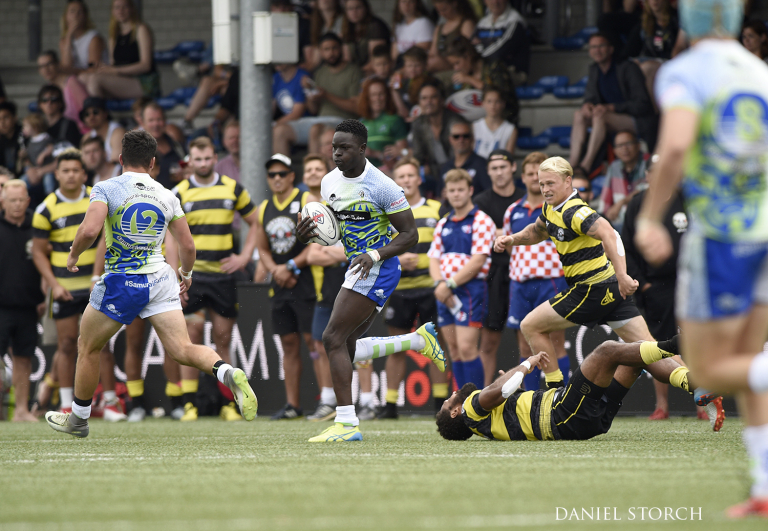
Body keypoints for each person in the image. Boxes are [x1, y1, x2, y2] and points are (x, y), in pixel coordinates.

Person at [634, 0, 768, 516]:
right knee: (750, 361)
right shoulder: (758, 70)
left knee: (710, 366)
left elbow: (676, 145)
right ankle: (763, 485)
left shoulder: (686, 70)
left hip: (725, 236)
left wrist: (649, 216)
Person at [45, 129, 258, 438]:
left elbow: (90, 230)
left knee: (87, 346)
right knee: (182, 348)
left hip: (123, 280)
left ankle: (78, 419)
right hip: (161, 278)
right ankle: (227, 371)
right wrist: (185, 274)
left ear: (120, 159)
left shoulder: (106, 187)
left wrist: (73, 253)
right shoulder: (167, 194)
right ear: (153, 162)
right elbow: (188, 246)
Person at [296, 119, 445, 441]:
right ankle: (418, 341)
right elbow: (333, 226)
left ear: (363, 149)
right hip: (357, 266)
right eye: (334, 147)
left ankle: (347, 424)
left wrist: (375, 254)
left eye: (344, 148)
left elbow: (410, 235)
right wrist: (310, 232)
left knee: (332, 337)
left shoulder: (383, 186)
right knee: (346, 345)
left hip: (379, 268)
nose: (336, 153)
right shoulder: (328, 182)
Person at [494, 157, 667, 394]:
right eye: (542, 184)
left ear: (568, 181)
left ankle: (555, 394)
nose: (545, 189)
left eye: (550, 183)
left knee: (531, 325)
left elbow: (611, 235)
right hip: (610, 289)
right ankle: (697, 384)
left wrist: (624, 275)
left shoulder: (575, 211)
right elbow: (537, 231)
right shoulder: (551, 208)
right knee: (650, 350)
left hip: (592, 289)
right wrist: (512, 239)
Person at [436, 337, 720, 440]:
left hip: (581, 423)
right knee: (608, 351)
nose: (452, 395)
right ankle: (676, 344)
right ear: (455, 413)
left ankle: (694, 384)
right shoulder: (472, 408)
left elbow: (507, 396)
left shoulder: (481, 424)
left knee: (631, 359)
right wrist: (526, 364)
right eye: (448, 402)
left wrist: (511, 382)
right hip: (563, 416)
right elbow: (502, 391)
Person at [165, 136, 259, 422]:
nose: (203, 163)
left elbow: (255, 221)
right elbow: (170, 235)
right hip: (191, 277)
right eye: (198, 159)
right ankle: (190, 403)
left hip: (222, 277)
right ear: (189, 161)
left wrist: (244, 257)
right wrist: (175, 273)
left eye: (207, 158)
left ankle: (227, 404)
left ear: (215, 157)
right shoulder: (178, 192)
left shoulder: (233, 188)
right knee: (189, 338)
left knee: (223, 338)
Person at [378, 157, 446, 419]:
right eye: (401, 177)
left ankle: (440, 404)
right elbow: (379, 247)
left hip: (430, 288)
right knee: (395, 347)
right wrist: (396, 259)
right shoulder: (387, 213)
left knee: (436, 346)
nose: (406, 180)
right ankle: (390, 405)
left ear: (419, 179)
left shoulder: (437, 209)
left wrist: (425, 261)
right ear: (395, 182)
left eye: (410, 175)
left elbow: (447, 249)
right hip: (399, 289)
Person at [31, 149, 95, 415]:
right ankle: (67, 404)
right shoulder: (46, 208)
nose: (70, 175)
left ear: (83, 173)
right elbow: (38, 251)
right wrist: (54, 284)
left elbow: (106, 238)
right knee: (67, 344)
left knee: (98, 342)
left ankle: (110, 401)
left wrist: (99, 276)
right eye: (65, 171)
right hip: (65, 288)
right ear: (56, 175)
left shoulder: (97, 199)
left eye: (75, 170)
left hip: (96, 285)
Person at [255, 154, 316, 419]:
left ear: (293, 176)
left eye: (282, 173)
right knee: (288, 344)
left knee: (314, 342)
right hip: (280, 283)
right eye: (272, 175)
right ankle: (294, 405)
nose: (277, 178)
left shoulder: (305, 200)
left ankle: (328, 400)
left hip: (308, 280)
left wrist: (291, 266)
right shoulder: (264, 207)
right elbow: (262, 247)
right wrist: (276, 270)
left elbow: (318, 241)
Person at [502, 151, 570, 392]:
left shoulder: (556, 209)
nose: (534, 179)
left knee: (556, 344)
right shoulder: (512, 210)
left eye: (538, 175)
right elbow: (513, 247)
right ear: (523, 177)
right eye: (530, 174)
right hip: (520, 284)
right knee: (524, 346)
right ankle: (530, 400)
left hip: (550, 281)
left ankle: (562, 397)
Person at [428, 169, 494, 388]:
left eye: (460, 190)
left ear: (470, 191)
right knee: (454, 350)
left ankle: (475, 402)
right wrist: (439, 284)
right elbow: (434, 259)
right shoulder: (443, 222)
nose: (456, 194)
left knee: (467, 348)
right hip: (444, 290)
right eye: (452, 190)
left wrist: (450, 284)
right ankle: (461, 401)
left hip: (469, 289)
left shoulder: (481, 220)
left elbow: (478, 261)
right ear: (446, 193)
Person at [568, 33, 656, 174]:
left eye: (601, 46)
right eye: (593, 47)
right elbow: (590, 97)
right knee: (579, 115)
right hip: (607, 118)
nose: (597, 50)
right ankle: (572, 164)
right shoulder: (594, 70)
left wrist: (613, 107)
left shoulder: (628, 67)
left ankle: (585, 165)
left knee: (600, 116)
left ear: (610, 49)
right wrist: (588, 105)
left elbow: (642, 104)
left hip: (637, 119)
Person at [473, 149, 524, 385]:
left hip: (523, 273)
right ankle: (480, 401)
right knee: (488, 343)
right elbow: (481, 238)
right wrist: (515, 235)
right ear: (488, 172)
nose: (499, 172)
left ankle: (528, 399)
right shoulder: (481, 202)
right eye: (494, 168)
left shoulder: (525, 198)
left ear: (513, 168)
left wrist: (499, 234)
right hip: (492, 277)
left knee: (527, 340)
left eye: (503, 167)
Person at [273, 33, 363, 155]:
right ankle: (281, 173)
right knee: (280, 131)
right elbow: (313, 109)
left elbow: (356, 107)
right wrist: (310, 95)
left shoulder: (353, 71)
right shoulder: (320, 73)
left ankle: (315, 171)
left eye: (334, 48)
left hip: (344, 122)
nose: (331, 53)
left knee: (316, 129)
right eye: (326, 49)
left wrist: (326, 95)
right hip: (318, 119)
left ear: (341, 48)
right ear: (320, 52)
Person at [0, 180, 45, 422]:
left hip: (30, 304)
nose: (17, 205)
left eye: (21, 200)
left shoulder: (37, 226)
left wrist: (44, 294)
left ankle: (21, 410)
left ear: (28, 201)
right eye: (12, 200)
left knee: (24, 357)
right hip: (1, 304)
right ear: (3, 202)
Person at [301, 154, 340, 422]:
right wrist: (343, 253)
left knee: (353, 342)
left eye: (319, 169)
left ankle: (366, 401)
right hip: (323, 287)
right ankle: (327, 401)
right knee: (319, 341)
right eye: (309, 169)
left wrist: (337, 252)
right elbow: (313, 255)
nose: (314, 174)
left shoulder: (342, 204)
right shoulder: (311, 209)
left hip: (352, 280)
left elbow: (358, 249)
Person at [79, 0, 160, 100]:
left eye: (124, 7)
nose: (120, 11)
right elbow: (114, 64)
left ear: (131, 9)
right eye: (117, 7)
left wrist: (116, 71)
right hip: (123, 79)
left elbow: (146, 65)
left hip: (144, 82)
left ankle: (100, 114)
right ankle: (91, 112)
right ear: (112, 11)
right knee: (83, 78)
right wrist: (103, 69)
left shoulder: (141, 29)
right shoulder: (114, 35)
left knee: (95, 80)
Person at [622, 0, 686, 103]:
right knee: (631, 66)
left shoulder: (676, 20)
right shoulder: (644, 24)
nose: (655, 1)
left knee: (647, 67)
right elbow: (628, 51)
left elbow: (678, 49)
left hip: (669, 61)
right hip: (649, 59)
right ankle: (636, 107)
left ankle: (653, 112)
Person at [444, 37, 518, 125]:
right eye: (453, 65)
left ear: (468, 56)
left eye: (457, 63)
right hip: (473, 123)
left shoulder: (494, 66)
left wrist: (471, 80)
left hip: (501, 121)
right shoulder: (462, 76)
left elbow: (502, 95)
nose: (456, 68)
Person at [410, 80, 463, 192]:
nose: (428, 102)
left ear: (441, 100)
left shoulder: (454, 122)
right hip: (434, 174)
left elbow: (459, 156)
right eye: (424, 98)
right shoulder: (418, 124)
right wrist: (421, 169)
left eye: (433, 97)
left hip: (457, 171)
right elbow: (418, 156)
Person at [597, 130, 647, 230]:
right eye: (620, 145)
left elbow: (648, 187)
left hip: (644, 220)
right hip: (621, 223)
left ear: (638, 145)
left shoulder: (649, 162)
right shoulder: (614, 167)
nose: (624, 148)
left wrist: (622, 202)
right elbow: (605, 198)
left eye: (628, 143)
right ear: (614, 150)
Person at [473, 0, 530, 83]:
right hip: (484, 69)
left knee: (484, 75)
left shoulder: (515, 22)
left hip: (512, 72)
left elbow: (499, 53)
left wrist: (479, 56)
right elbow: (471, 46)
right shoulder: (482, 23)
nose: (495, 2)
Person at [359, 77, 408, 171]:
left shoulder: (395, 120)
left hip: (388, 171)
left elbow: (402, 153)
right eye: (373, 95)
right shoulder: (360, 123)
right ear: (367, 98)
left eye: (381, 94)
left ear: (387, 96)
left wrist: (376, 154)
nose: (377, 98)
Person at [36, 50, 89, 131]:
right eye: (42, 66)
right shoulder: (47, 88)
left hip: (81, 130)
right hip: (61, 131)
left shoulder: (72, 82)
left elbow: (87, 108)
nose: (46, 69)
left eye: (49, 64)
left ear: (57, 64)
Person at [140, 102, 186, 190]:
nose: (156, 124)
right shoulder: (135, 150)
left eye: (159, 119)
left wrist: (185, 173)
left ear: (165, 121)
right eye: (151, 120)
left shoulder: (177, 145)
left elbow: (187, 166)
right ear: (142, 123)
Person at [439, 121, 490, 196]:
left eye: (465, 136)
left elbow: (489, 194)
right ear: (450, 139)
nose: (461, 140)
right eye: (456, 136)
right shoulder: (445, 167)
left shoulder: (482, 164)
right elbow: (438, 196)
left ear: (472, 138)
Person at [59, 0, 108, 75]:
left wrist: (72, 71)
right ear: (66, 16)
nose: (76, 15)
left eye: (80, 12)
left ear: (85, 16)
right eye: (72, 11)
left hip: (93, 79)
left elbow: (93, 70)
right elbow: (66, 66)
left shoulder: (94, 38)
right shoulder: (64, 41)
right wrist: (68, 37)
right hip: (74, 80)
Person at [427, 0, 477, 73]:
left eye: (444, 9)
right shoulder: (439, 28)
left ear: (454, 3)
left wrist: (445, 61)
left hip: (458, 67)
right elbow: (432, 53)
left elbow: (468, 51)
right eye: (438, 11)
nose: (442, 14)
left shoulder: (466, 23)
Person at [341, 0, 391, 72]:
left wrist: (356, 73)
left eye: (358, 7)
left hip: (375, 71)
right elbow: (346, 59)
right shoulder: (347, 27)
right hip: (355, 72)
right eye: (350, 9)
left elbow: (375, 60)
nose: (354, 12)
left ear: (365, 8)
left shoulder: (375, 25)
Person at [472, 87, 517, 159]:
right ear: (482, 103)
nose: (493, 105)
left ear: (503, 104)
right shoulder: (474, 126)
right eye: (489, 101)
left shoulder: (510, 129)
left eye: (497, 101)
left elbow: (509, 158)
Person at [80, 97, 125, 164]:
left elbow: (117, 162)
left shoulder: (117, 132)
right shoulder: (87, 137)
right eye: (87, 114)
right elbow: (84, 162)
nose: (91, 117)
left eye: (95, 112)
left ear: (105, 113)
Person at [305, 0, 344, 71]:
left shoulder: (343, 20)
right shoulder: (318, 26)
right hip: (324, 68)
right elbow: (314, 61)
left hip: (340, 66)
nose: (324, 0)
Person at [214, 119, 240, 184]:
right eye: (231, 138)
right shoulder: (219, 167)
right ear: (224, 141)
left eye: (238, 137)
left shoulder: (257, 164)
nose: (235, 141)